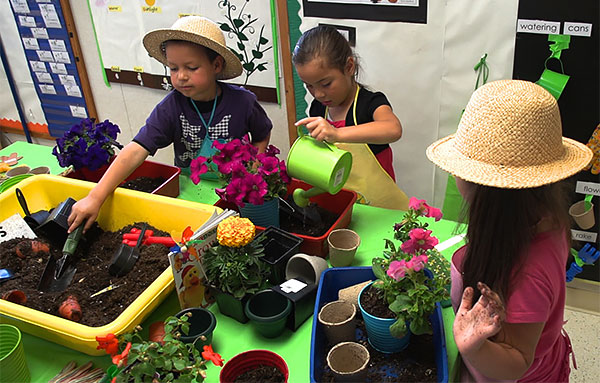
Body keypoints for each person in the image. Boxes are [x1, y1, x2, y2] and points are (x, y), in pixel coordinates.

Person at [426, 80, 593, 382]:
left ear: (488, 192)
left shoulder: (527, 271)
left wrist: (472, 347)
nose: (453, 175)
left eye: (460, 170)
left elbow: (517, 363)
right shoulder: (543, 217)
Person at [68, 16, 272, 232]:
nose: (181, 76)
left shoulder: (243, 102)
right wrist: (95, 197)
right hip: (189, 193)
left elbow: (262, 134)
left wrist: (254, 165)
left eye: (191, 67)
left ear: (217, 65)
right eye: (173, 68)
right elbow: (136, 150)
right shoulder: (171, 107)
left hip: (235, 192)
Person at [292, 25, 409, 210]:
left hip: (378, 208)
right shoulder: (318, 109)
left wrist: (337, 133)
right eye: (309, 86)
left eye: (326, 84)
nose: (319, 94)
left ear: (349, 67)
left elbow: (393, 129)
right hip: (341, 205)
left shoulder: (369, 103)